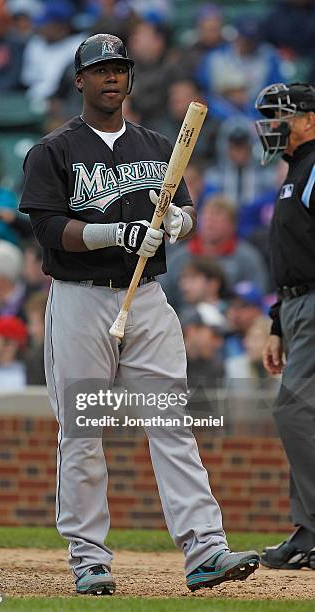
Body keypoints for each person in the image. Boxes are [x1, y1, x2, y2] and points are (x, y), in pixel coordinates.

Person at [19, 33, 259, 596]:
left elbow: (186, 208)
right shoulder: (53, 150)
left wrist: (180, 223)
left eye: (119, 68)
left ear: (129, 78)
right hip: (79, 298)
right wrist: (117, 231)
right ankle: (89, 559)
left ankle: (205, 548)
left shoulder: (154, 144)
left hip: (147, 298)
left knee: (172, 422)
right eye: (99, 69)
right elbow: (49, 230)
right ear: (79, 79)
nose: (111, 77)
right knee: (82, 430)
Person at [255, 82, 315, 569]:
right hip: (297, 307)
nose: (273, 126)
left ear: (311, 119)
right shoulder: (296, 169)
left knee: (293, 412)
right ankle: (307, 531)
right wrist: (278, 321)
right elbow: (294, 254)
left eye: (283, 116)